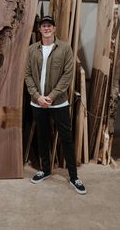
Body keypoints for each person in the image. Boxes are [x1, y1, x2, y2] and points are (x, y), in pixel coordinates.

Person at [25, 15, 86, 195]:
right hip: (37, 102)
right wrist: (37, 97)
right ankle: (45, 169)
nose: (46, 28)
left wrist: (50, 97)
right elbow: (27, 75)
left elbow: (67, 76)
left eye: (49, 25)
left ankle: (74, 176)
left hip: (58, 102)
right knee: (42, 136)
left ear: (54, 28)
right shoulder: (32, 50)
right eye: (43, 25)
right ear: (39, 29)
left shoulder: (65, 48)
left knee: (66, 138)